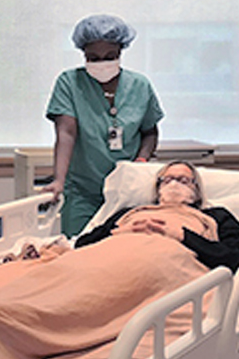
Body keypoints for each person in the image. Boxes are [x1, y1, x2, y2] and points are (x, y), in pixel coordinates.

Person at [45, 14, 165, 237]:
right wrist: (58, 180)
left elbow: (150, 132)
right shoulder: (70, 83)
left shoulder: (140, 85)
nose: (102, 63)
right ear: (83, 54)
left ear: (121, 52)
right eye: (94, 57)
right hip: (83, 189)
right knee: (79, 248)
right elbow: (66, 132)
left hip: (128, 190)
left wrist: (141, 161)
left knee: (122, 252)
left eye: (110, 56)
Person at [75, 161, 239, 272]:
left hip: (159, 267)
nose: (174, 184)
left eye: (183, 180)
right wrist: (118, 231)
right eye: (167, 180)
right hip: (108, 262)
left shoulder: (216, 216)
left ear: (196, 191)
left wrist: (183, 236)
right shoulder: (131, 212)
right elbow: (81, 245)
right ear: (158, 189)